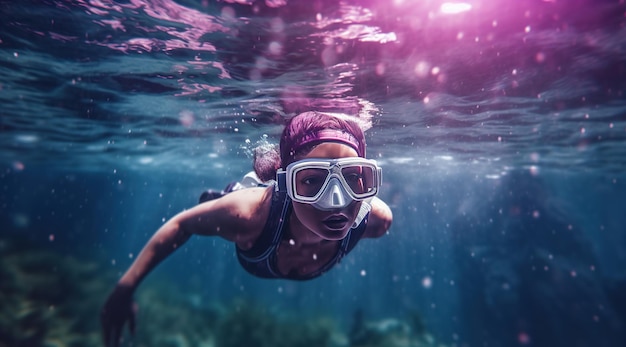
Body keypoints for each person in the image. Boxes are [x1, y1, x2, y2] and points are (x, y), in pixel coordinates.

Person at [100, 111, 393, 346]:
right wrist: (123, 290)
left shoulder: (376, 219)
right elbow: (182, 223)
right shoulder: (249, 216)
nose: (337, 201)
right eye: (311, 180)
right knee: (227, 203)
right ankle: (225, 195)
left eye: (355, 177)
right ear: (286, 184)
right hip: (250, 204)